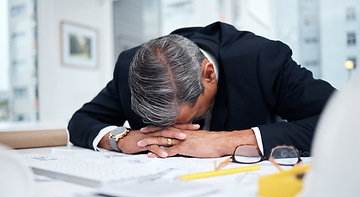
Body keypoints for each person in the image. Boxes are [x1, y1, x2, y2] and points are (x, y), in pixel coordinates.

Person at [68, 21, 336, 159]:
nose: (178, 133)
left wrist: (225, 141)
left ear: (208, 74)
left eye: (188, 117)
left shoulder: (261, 60)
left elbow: (342, 121)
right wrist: (121, 139)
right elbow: (81, 121)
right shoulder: (130, 66)